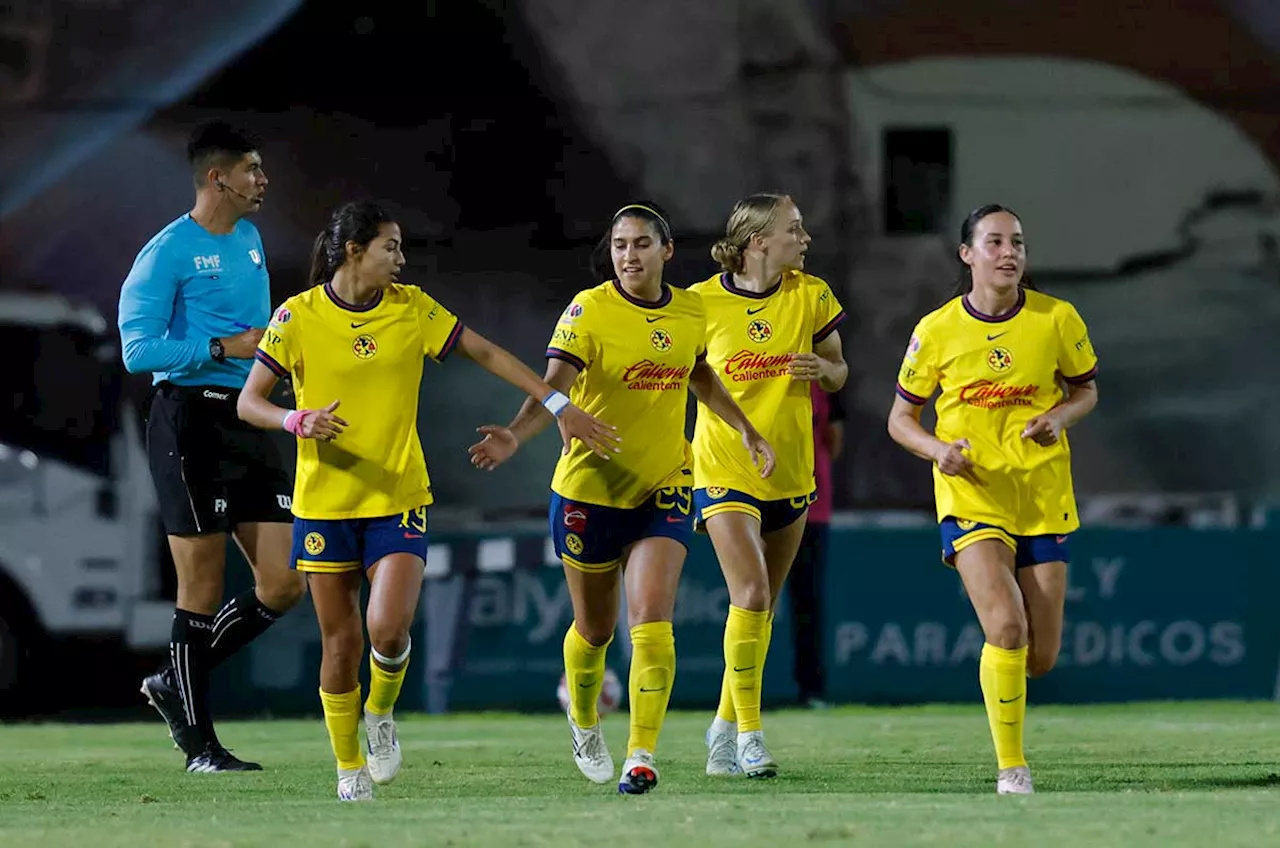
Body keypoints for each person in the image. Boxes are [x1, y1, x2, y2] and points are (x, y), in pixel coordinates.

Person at [237, 200, 616, 801]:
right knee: (341, 645)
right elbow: (249, 401)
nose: (402, 258)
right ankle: (348, 766)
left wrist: (554, 404)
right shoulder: (298, 316)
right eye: (391, 246)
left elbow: (486, 352)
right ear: (355, 250)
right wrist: (295, 418)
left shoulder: (412, 308)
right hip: (324, 504)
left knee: (387, 631)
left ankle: (381, 716)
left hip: (398, 495)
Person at [468, 202, 775, 795]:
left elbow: (699, 373)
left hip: (665, 482)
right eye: (619, 246)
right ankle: (584, 720)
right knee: (595, 629)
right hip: (589, 489)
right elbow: (552, 385)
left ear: (666, 251)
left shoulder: (691, 308)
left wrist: (744, 426)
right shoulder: (589, 310)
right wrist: (514, 434)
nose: (628, 255)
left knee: (653, 619)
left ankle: (641, 754)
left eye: (640, 244)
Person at [887, 204, 1099, 795]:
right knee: (1006, 627)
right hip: (970, 495)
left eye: (1018, 243)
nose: (1010, 253)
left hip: (1040, 494)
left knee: (1040, 656)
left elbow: (1086, 391)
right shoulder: (936, 330)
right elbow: (900, 419)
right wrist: (937, 451)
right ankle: (1013, 768)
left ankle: (1001, 678)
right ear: (967, 254)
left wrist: (1059, 416)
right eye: (996, 242)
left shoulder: (1057, 318)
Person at [118, 120, 305, 772]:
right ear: (217, 177)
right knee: (199, 586)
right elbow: (138, 350)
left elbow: (264, 337)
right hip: (187, 421)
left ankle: (175, 679)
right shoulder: (166, 251)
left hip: (248, 418)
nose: (263, 181)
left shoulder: (250, 240)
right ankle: (200, 747)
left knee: (283, 584)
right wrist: (223, 347)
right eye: (253, 170)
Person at [691, 193, 848, 778]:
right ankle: (752, 735)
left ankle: (723, 727)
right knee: (751, 594)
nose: (804, 238)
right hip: (723, 466)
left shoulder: (811, 295)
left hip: (790, 472)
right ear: (758, 241)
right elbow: (695, 378)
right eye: (793, 229)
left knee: (760, 608)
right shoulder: (700, 303)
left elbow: (839, 369)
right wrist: (745, 432)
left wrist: (823, 371)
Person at [788, 382, 845, 708]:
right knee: (753, 599)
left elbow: (834, 443)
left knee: (806, 600)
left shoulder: (827, 382)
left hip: (812, 507)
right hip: (759, 502)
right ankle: (746, 692)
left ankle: (810, 688)